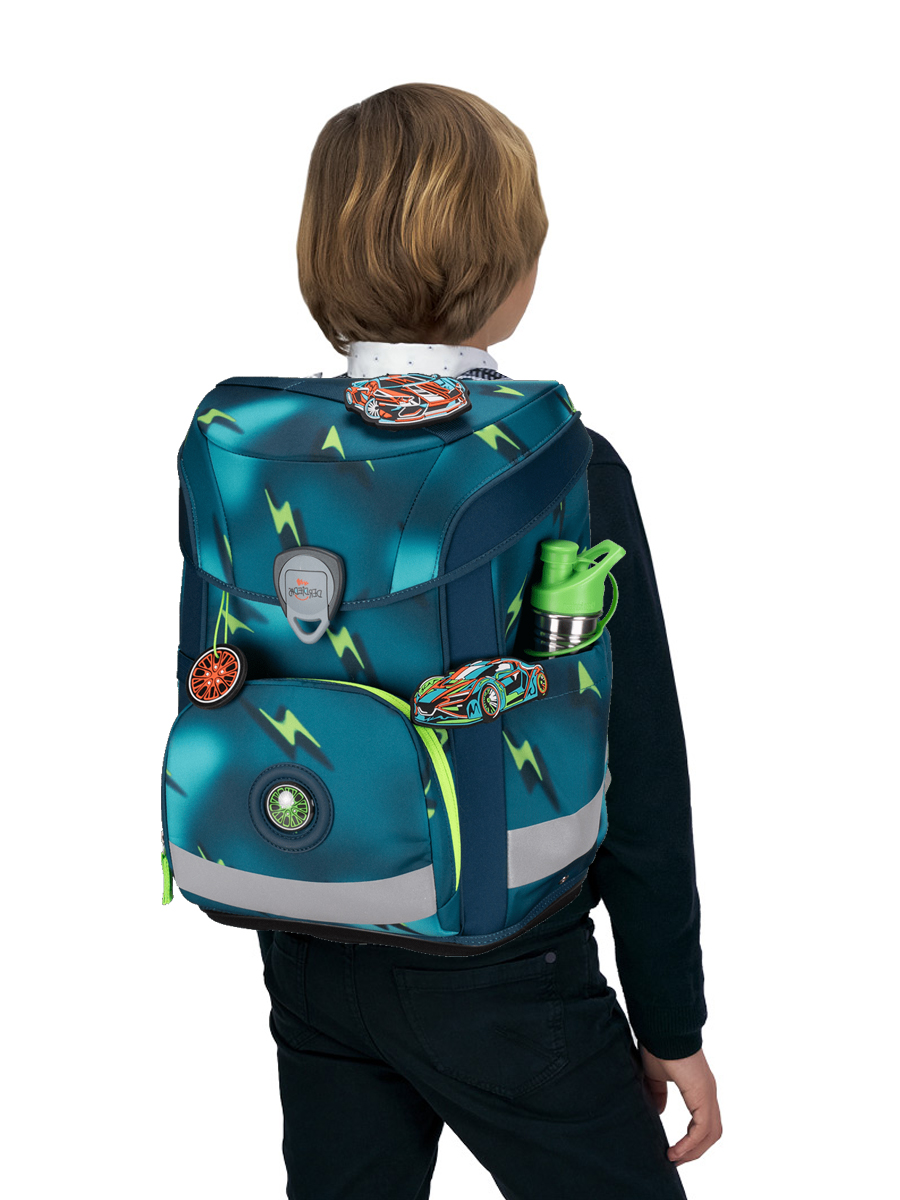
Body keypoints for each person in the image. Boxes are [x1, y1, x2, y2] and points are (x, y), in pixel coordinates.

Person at [257, 82, 721, 1199]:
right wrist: (671, 1018)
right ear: (508, 267)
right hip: (504, 963)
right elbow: (636, 764)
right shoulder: (556, 464)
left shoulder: (262, 450)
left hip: (308, 930)